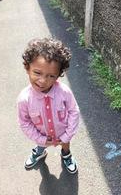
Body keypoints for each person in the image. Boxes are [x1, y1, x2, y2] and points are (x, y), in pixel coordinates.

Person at [17, 37, 80, 174]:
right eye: (37, 73)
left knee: (65, 144)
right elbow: (25, 122)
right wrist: (41, 139)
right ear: (27, 68)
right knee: (41, 144)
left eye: (51, 76)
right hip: (41, 134)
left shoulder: (64, 92)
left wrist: (67, 135)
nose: (43, 80)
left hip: (63, 133)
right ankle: (39, 151)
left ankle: (66, 155)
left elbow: (74, 111)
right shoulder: (24, 99)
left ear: (58, 76)